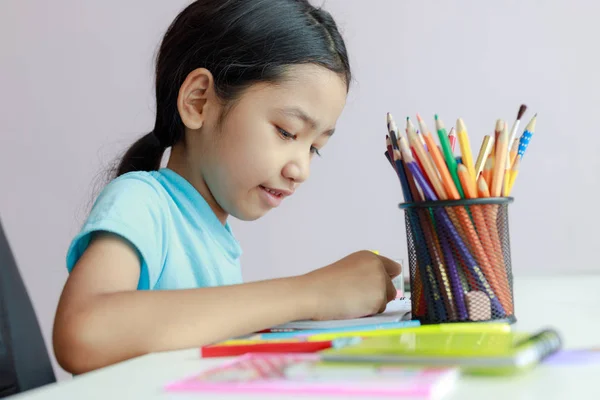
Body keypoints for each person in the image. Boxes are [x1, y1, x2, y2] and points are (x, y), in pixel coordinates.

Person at [53, 0, 401, 375]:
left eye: (315, 148)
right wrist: (312, 292)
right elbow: (83, 334)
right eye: (286, 131)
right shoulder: (141, 201)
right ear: (199, 101)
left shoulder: (216, 239)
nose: (301, 169)